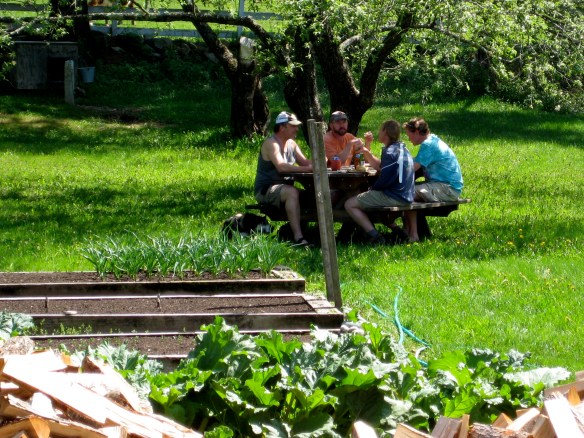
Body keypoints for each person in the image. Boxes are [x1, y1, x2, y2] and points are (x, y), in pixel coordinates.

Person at [344, 120, 416, 244]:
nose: (378, 132)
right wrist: (367, 152)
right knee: (366, 198)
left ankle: (375, 236)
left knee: (349, 204)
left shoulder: (389, 152)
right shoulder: (401, 148)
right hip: (406, 194)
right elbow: (382, 167)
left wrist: (372, 189)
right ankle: (397, 231)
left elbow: (384, 179)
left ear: (385, 133)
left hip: (395, 196)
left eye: (380, 129)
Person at [254, 111, 313, 246]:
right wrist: (307, 169)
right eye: (293, 126)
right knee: (291, 192)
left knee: (314, 195)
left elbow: (305, 162)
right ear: (282, 127)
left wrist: (324, 162)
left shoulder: (291, 143)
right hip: (266, 189)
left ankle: (314, 232)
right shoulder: (271, 144)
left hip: (285, 189)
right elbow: (281, 167)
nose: (296, 129)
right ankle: (298, 237)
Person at [403, 117, 463, 202]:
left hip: (448, 190)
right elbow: (416, 162)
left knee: (402, 192)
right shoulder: (432, 140)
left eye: (409, 136)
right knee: (404, 190)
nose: (409, 139)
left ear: (416, 132)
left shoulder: (428, 145)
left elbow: (412, 168)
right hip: (446, 187)